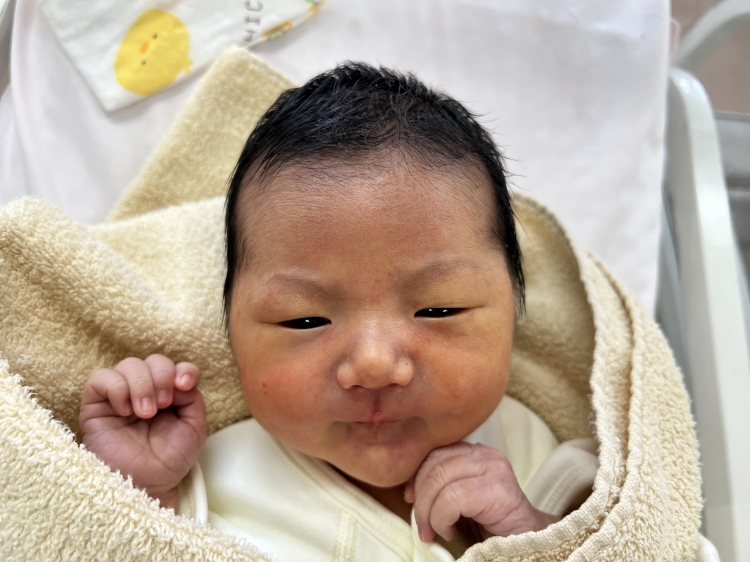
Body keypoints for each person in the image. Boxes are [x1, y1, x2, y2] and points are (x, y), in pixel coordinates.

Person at [79, 63, 596, 560]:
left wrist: (530, 534)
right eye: (304, 320)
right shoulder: (213, 477)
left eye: (439, 309)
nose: (374, 364)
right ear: (229, 332)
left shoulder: (536, 458)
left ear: (514, 311)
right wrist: (138, 493)